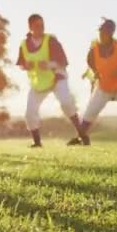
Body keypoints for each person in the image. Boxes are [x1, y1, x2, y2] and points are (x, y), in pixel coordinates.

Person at [17, 14, 88, 148]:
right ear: (30, 27)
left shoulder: (51, 41)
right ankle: (37, 142)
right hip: (39, 82)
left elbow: (63, 62)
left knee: (66, 103)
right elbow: (21, 64)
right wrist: (26, 66)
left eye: (42, 25)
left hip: (57, 77)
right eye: (37, 25)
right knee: (29, 113)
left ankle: (83, 136)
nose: (41, 28)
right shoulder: (23, 44)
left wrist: (50, 65)